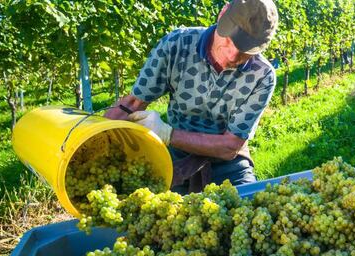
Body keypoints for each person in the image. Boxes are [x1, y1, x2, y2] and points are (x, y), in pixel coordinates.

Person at [105, 0, 278, 193]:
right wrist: (95, 140)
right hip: (175, 156)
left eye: (246, 51)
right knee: (163, 216)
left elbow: (230, 146)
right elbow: (134, 102)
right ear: (222, 15)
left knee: (248, 207)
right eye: (230, 41)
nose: (232, 56)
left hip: (228, 164)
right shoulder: (177, 45)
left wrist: (168, 134)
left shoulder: (262, 75)